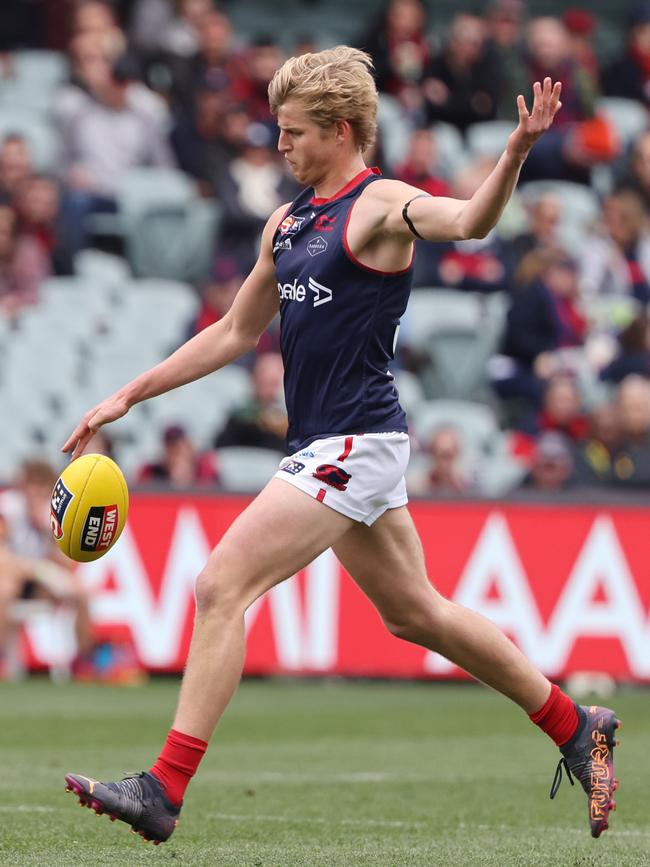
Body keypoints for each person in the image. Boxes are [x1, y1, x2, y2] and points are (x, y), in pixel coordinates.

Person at [62, 48, 619, 845]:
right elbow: (232, 331)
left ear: (342, 130)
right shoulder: (287, 223)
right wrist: (129, 393)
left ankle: (164, 787)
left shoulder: (381, 203)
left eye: (293, 132)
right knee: (416, 613)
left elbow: (469, 221)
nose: (279, 144)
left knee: (221, 585)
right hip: (335, 442)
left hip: (354, 441)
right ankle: (575, 720)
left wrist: (516, 151)